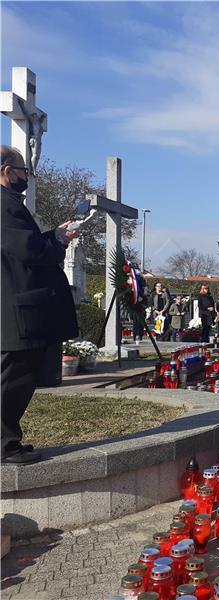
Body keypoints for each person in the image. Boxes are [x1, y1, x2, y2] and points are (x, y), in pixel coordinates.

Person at [1, 145, 79, 464]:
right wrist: (58, 240)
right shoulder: (4, 205)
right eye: (23, 172)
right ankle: (4, 445)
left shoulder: (9, 205)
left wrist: (52, 235)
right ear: (7, 170)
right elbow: (29, 251)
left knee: (17, 377)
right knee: (12, 378)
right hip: (17, 309)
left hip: (17, 306)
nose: (26, 178)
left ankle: (8, 440)